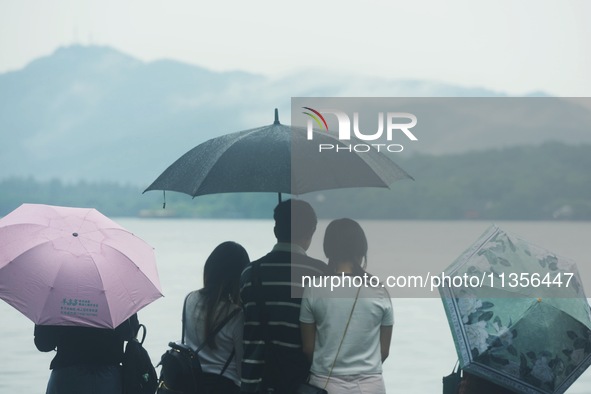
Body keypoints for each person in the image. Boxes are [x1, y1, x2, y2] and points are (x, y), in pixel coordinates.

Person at [240, 199, 329, 393]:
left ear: (275, 230)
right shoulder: (321, 274)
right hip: (301, 386)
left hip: (253, 384)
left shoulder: (250, 273)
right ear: (312, 232)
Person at [300, 218, 393, 394]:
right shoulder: (379, 291)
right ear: (361, 248)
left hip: (325, 384)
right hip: (370, 386)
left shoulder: (314, 289)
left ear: (328, 249)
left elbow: (308, 348)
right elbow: (384, 351)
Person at [184, 241, 250, 393]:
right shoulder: (237, 315)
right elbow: (242, 371)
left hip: (190, 384)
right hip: (224, 387)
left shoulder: (190, 299)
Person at [34, 314, 139, 394]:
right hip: (108, 378)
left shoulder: (57, 294)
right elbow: (129, 334)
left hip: (66, 377)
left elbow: (43, 344)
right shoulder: (116, 293)